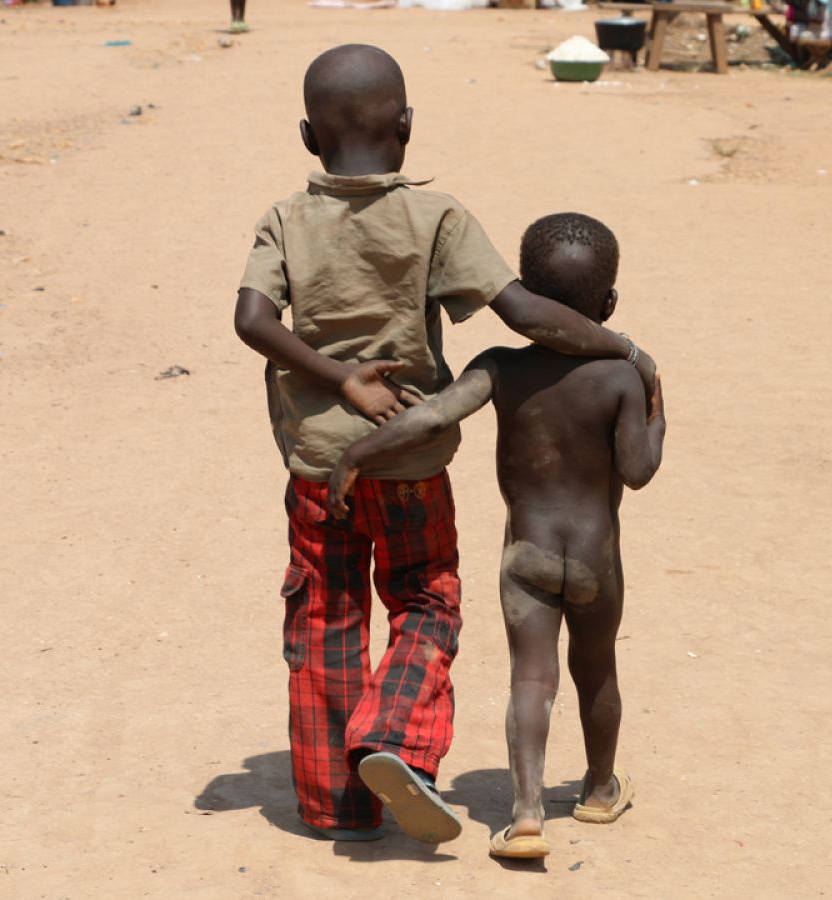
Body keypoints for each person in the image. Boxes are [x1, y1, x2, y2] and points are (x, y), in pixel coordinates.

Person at [233, 45, 656, 846]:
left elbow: (253, 322)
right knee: (426, 601)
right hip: (411, 469)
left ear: (306, 135)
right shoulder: (437, 218)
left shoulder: (283, 219)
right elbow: (527, 316)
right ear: (406, 127)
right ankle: (394, 741)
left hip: (318, 469)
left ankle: (337, 806)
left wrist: (338, 378)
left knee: (326, 618)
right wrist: (626, 348)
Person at [326, 212, 667, 860]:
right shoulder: (623, 377)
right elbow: (639, 471)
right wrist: (659, 416)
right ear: (609, 303)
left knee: (531, 680)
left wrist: (357, 454)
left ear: (529, 302)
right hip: (597, 558)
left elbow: (430, 417)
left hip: (526, 554)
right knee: (596, 671)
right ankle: (598, 791)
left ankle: (527, 814)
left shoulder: (501, 367)